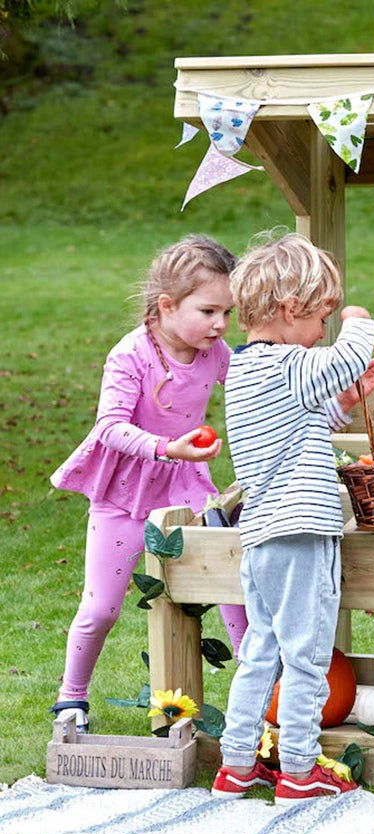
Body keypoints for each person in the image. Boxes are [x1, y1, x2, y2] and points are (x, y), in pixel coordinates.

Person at [211, 232, 374, 804]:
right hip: (300, 535)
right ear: (290, 310)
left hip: (263, 536)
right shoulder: (290, 361)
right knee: (308, 657)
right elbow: (344, 358)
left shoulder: (247, 370)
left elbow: (300, 420)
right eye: (321, 318)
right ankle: (298, 767)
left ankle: (236, 765)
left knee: (260, 653)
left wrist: (346, 400)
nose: (323, 329)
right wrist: (358, 321)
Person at [49, 235, 245, 733]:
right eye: (209, 311)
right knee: (99, 609)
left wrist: (332, 398)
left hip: (188, 489)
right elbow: (110, 428)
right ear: (167, 305)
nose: (221, 325)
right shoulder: (131, 355)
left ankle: (261, 688)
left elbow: (252, 388)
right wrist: (168, 447)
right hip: (123, 497)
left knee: (231, 583)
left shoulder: (213, 352)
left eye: (227, 312)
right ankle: (71, 698)